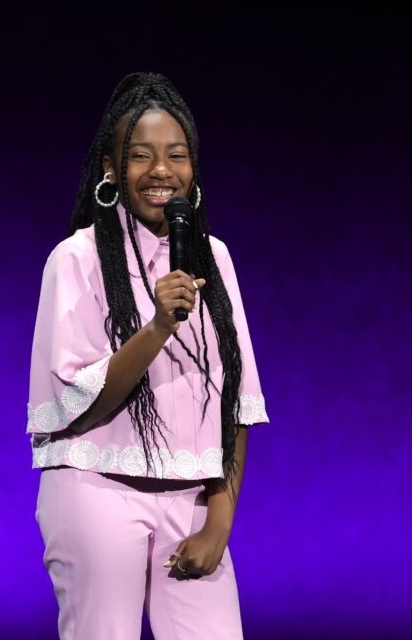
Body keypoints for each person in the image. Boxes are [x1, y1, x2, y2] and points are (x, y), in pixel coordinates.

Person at [27, 72, 269, 639]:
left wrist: (220, 523)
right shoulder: (76, 259)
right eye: (141, 156)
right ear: (111, 169)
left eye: (176, 156)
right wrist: (159, 324)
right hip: (96, 492)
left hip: (192, 502)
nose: (161, 171)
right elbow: (79, 404)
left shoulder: (214, 257)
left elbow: (237, 400)